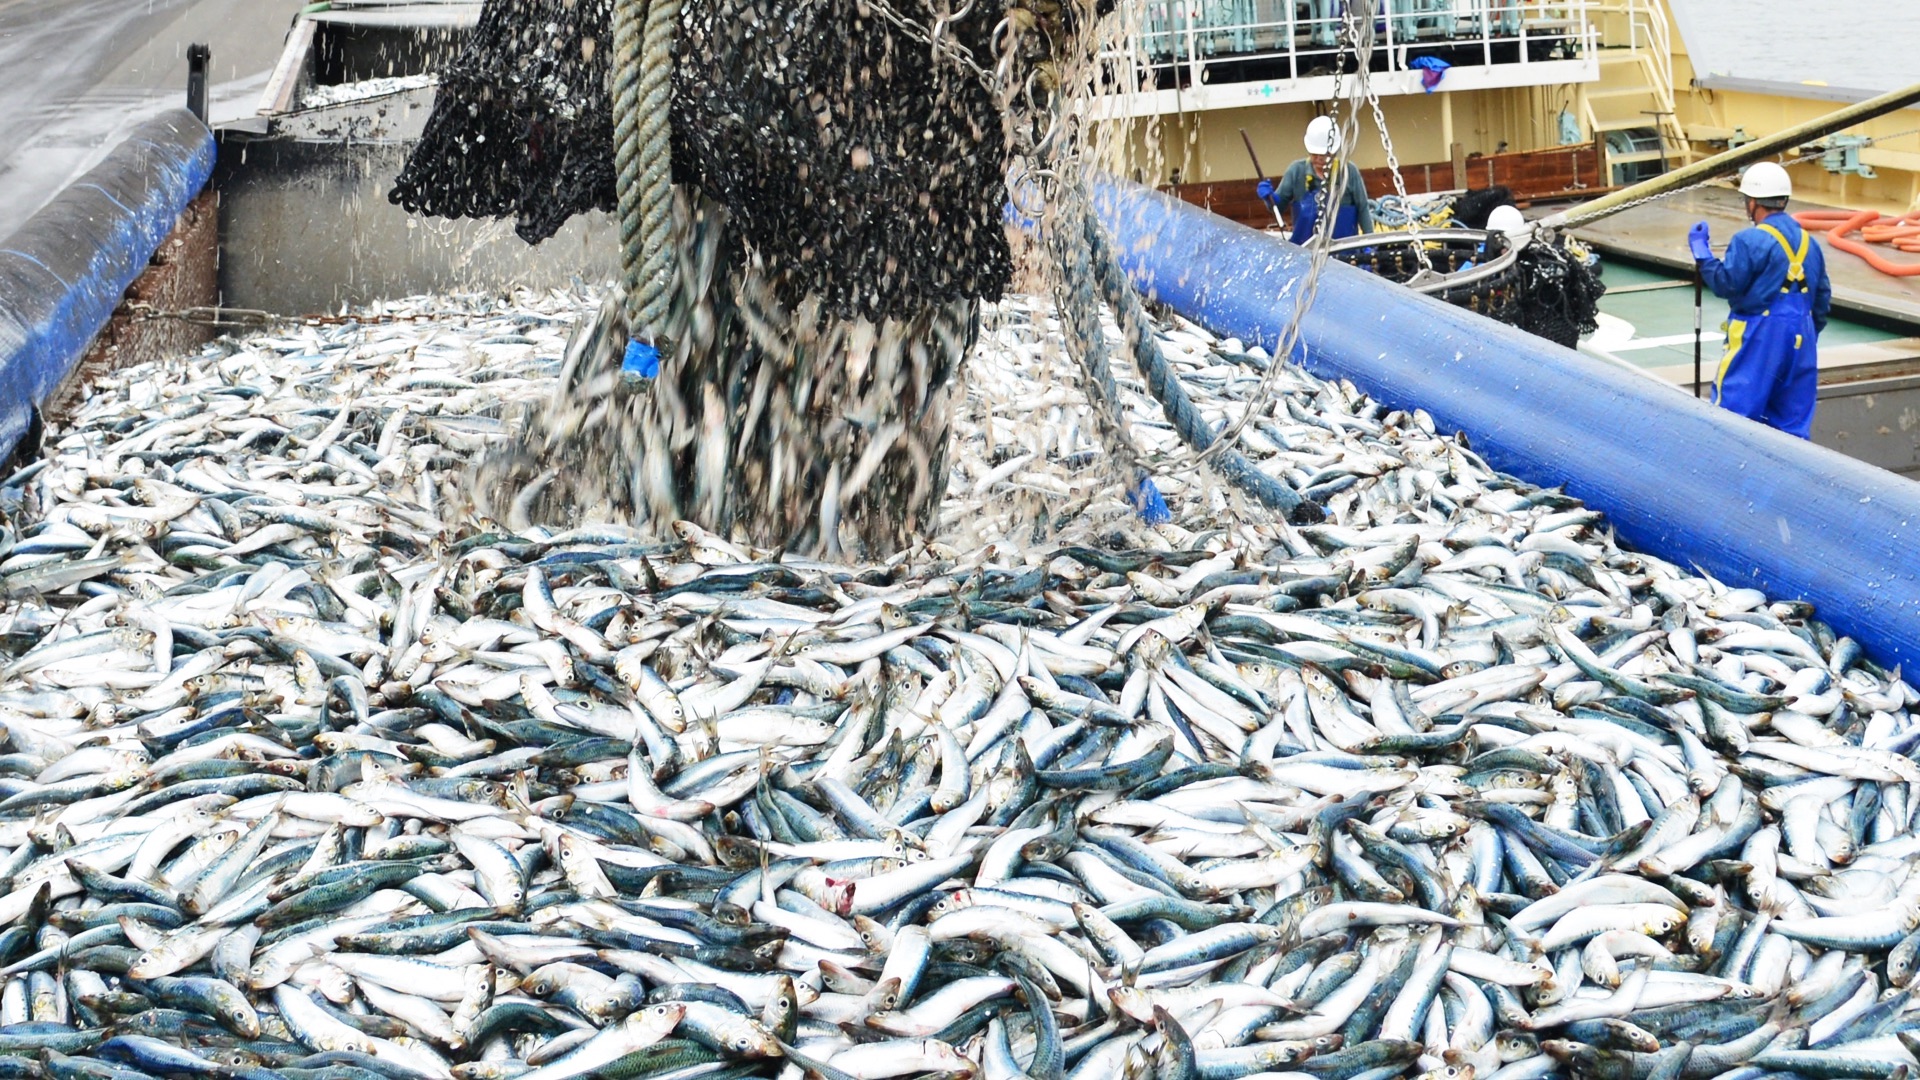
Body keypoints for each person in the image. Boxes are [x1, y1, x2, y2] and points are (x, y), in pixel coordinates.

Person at [1689, 161, 1831, 438]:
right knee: (1792, 427)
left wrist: (1702, 254)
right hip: (1802, 337)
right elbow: (1822, 300)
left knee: (1732, 421)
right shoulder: (1809, 243)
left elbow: (1726, 284)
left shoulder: (1748, 240)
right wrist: (1806, 335)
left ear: (1752, 202)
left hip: (1759, 337)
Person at [1257, 116, 1373, 245]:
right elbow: (1277, 208)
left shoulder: (1349, 172)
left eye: (1324, 155)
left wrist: (1369, 242)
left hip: (1343, 251)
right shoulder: (1296, 171)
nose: (1318, 159)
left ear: (1334, 152)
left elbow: (1363, 209)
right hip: (1305, 251)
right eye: (1314, 154)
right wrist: (1270, 199)